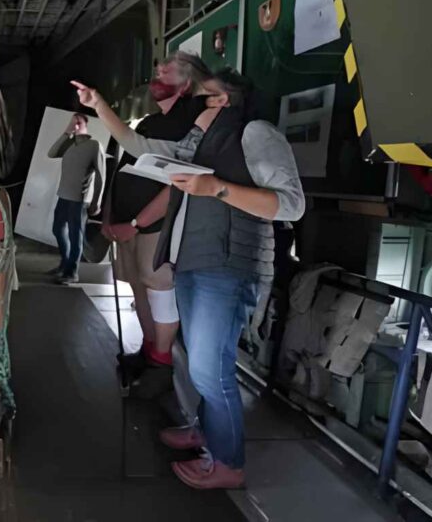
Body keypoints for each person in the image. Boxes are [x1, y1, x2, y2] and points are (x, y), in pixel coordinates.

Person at [72, 66, 305, 490]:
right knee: (198, 363)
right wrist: (98, 105)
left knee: (210, 369)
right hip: (195, 262)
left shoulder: (256, 134)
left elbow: (291, 205)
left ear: (223, 102)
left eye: (203, 97)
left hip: (231, 266)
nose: (193, 105)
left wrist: (217, 189)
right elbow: (137, 143)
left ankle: (228, 464)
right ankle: (206, 431)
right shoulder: (198, 143)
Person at [101, 53, 208, 368]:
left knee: (158, 288)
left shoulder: (191, 121)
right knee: (137, 286)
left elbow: (182, 180)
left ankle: (161, 361)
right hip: (126, 223)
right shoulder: (147, 123)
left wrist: (137, 222)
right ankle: (147, 353)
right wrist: (109, 216)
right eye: (157, 68)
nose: (158, 73)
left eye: (168, 70)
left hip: (155, 225)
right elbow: (121, 171)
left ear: (187, 83)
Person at [47, 112, 105, 285]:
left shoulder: (94, 145)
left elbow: (102, 175)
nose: (75, 124)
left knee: (75, 236)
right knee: (57, 229)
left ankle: (72, 272)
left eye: (78, 122)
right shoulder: (69, 145)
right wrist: (67, 131)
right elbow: (51, 153)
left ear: (86, 124)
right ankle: (65, 263)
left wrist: (97, 201)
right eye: (73, 122)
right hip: (63, 195)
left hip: (80, 200)